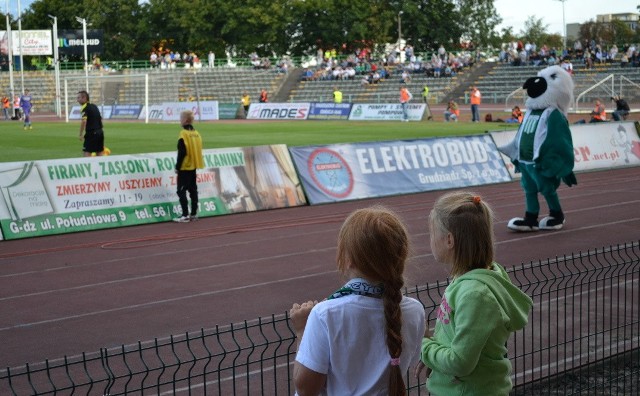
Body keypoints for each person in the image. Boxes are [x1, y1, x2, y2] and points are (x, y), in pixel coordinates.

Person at [290, 206, 426, 396]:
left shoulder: (325, 314)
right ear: (402, 257)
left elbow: (306, 389)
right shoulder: (415, 310)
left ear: (349, 259)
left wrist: (302, 331)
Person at [415, 191, 533, 395]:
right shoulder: (473, 278)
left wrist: (424, 345)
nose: (430, 240)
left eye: (432, 233)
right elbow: (456, 338)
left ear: (449, 240)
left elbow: (460, 362)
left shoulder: (475, 294)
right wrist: (434, 354)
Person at [173, 110, 204, 223]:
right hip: (194, 166)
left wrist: (177, 166)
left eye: (181, 118)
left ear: (185, 120)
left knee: (181, 191)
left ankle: (185, 214)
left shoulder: (183, 134)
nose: (180, 120)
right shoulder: (196, 133)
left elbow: (182, 152)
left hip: (185, 166)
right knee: (193, 190)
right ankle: (194, 213)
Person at [77, 90, 105, 157]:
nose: (77, 100)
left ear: (84, 98)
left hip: (91, 133)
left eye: (78, 98)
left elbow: (84, 121)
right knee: (99, 152)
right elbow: (100, 118)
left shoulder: (84, 108)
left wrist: (81, 134)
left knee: (87, 153)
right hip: (100, 132)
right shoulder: (94, 106)